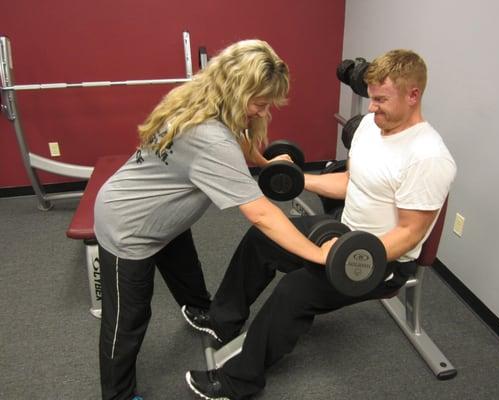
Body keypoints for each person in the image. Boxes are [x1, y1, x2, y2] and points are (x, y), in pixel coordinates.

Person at [184, 49, 457, 400]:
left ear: (413, 95)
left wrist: (338, 257)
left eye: (381, 99)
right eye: (370, 97)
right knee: (261, 238)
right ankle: (223, 320)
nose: (372, 108)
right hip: (343, 231)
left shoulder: (428, 157)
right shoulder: (374, 129)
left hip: (380, 260)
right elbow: (350, 181)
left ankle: (241, 381)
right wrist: (297, 178)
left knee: (295, 291)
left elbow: (409, 234)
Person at [93, 39, 334, 400]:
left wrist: (268, 165)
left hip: (164, 218)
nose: (262, 110)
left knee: (187, 274)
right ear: (237, 90)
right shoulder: (209, 138)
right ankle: (118, 395)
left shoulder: (197, 96)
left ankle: (201, 312)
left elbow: (238, 138)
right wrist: (320, 255)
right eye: (260, 101)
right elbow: (261, 214)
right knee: (127, 323)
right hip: (129, 228)